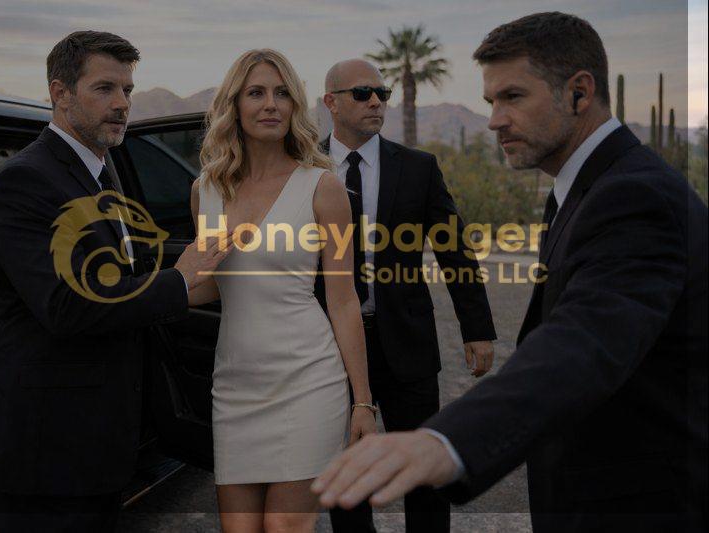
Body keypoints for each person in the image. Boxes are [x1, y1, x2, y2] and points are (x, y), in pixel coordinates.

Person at [312, 12, 708, 533]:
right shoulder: (586, 188)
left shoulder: (633, 196)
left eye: (512, 97)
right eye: (490, 103)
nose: (495, 119)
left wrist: (445, 439)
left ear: (580, 93)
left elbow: (583, 343)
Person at [0, 31, 230, 532]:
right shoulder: (27, 180)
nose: (122, 104)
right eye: (105, 88)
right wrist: (179, 281)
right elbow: (68, 305)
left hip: (95, 445)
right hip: (42, 450)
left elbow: (114, 279)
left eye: (127, 90)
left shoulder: (99, 175)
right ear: (60, 93)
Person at [187, 48, 376, 532]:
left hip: (308, 382)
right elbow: (211, 288)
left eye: (282, 93)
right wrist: (148, 289)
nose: (270, 104)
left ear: (295, 106)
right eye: (256, 93)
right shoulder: (205, 190)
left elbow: (343, 298)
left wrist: (362, 401)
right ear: (235, 104)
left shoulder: (322, 186)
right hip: (235, 386)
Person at [318, 58, 497, 533]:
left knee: (421, 469)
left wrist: (476, 329)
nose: (376, 101)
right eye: (362, 93)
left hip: (407, 341)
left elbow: (454, 251)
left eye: (382, 92)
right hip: (329, 345)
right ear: (330, 103)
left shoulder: (418, 168)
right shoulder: (303, 169)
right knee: (348, 470)